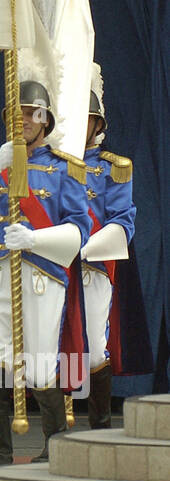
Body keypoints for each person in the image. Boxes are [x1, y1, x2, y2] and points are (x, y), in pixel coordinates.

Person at [0, 80, 91, 467]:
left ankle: (55, 448)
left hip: (42, 275)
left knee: (42, 360)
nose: (24, 120)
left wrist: (34, 238)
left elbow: (80, 231)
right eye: (18, 113)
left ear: (45, 120)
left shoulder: (66, 169)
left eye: (33, 114)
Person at [79, 72, 137, 428]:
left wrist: (82, 246)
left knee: (93, 346)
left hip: (91, 265)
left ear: (97, 123)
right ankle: (55, 433)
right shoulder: (44, 164)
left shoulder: (112, 168)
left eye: (86, 118)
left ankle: (99, 427)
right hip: (48, 265)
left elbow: (122, 222)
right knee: (52, 348)